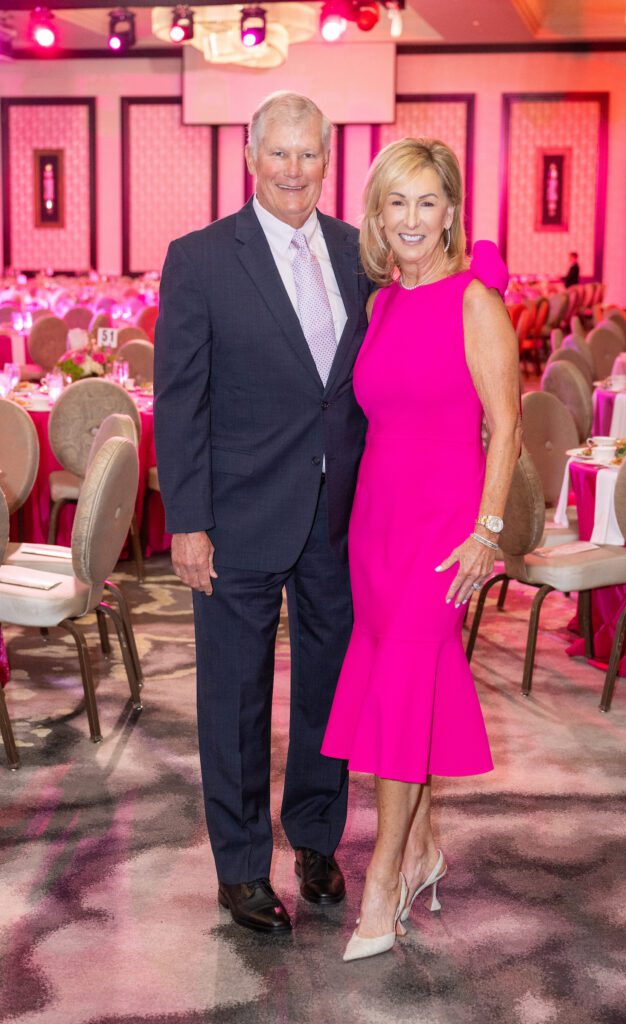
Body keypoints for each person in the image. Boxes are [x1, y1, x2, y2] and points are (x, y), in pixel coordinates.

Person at [154, 92, 372, 935]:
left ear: (328, 159)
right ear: (249, 158)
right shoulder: (201, 257)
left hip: (338, 517)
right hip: (236, 517)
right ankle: (240, 868)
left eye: (307, 154)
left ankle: (316, 838)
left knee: (328, 690)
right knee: (233, 700)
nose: (292, 170)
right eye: (277, 154)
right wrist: (186, 520)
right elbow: (179, 401)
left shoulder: (361, 254)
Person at [321, 138, 522, 961]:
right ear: (377, 212)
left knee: (402, 694)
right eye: (395, 202)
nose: (410, 219)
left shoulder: (475, 300)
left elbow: (507, 424)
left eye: (426, 201)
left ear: (450, 210)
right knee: (395, 690)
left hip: (443, 532)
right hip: (375, 526)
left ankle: (384, 876)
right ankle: (426, 844)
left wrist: (486, 531)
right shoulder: (378, 305)